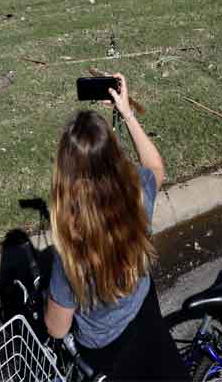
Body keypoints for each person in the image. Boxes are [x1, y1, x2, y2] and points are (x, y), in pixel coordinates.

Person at [46, 73, 187, 380]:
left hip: (105, 347)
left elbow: (57, 330)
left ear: (65, 175)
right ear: (113, 156)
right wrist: (127, 112)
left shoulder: (70, 248)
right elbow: (156, 168)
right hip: (145, 312)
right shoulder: (136, 195)